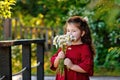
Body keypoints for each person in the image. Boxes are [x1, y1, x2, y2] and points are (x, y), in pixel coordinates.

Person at [50, 16, 95, 80]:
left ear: (82, 33)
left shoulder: (84, 48)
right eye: (68, 30)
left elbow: (87, 68)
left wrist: (72, 66)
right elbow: (54, 65)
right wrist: (58, 58)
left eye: (74, 31)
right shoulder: (64, 45)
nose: (70, 34)